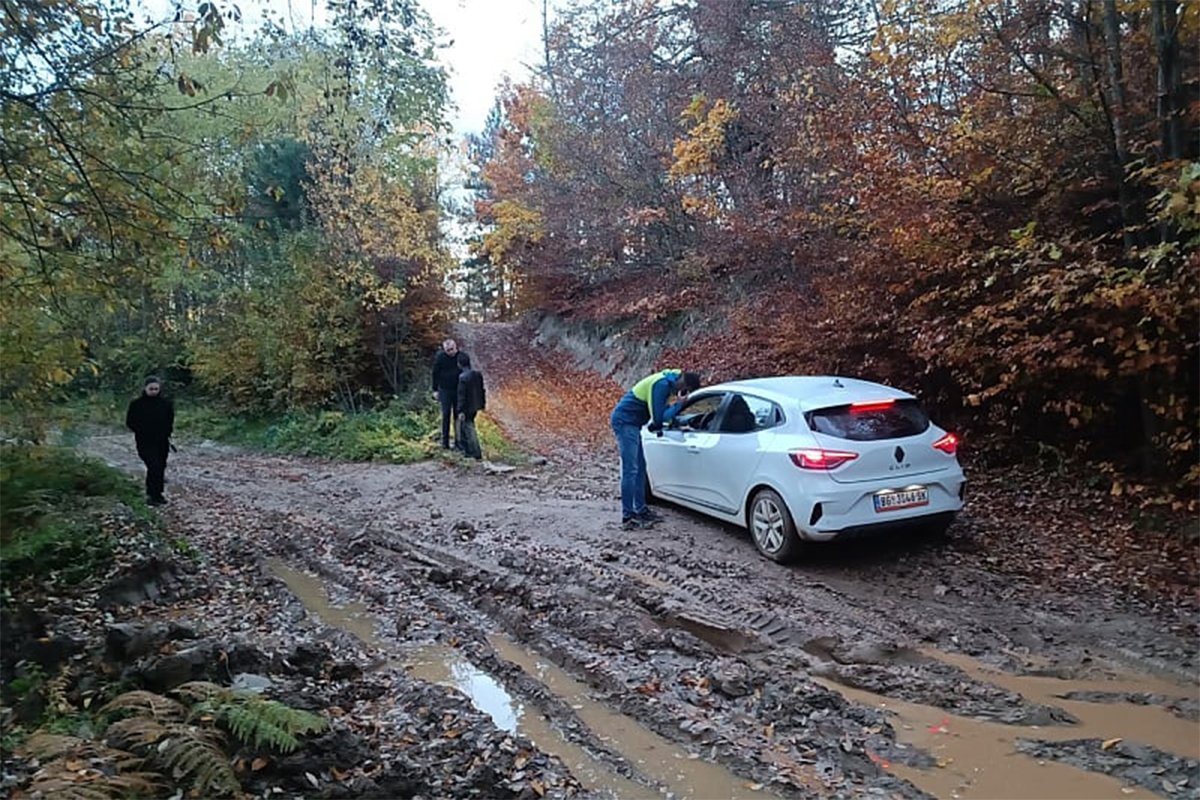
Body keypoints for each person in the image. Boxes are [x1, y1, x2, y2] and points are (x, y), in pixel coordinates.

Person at [610, 369, 702, 530]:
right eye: (686, 390)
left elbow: (661, 413)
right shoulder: (661, 385)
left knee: (640, 469)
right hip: (625, 422)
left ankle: (640, 509)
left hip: (634, 423)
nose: (682, 393)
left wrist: (678, 423)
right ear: (684, 384)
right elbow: (658, 419)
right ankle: (628, 516)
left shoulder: (669, 382)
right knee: (631, 469)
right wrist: (679, 404)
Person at [125, 376, 175, 506]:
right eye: (151, 388)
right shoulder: (137, 404)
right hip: (144, 441)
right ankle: (151, 494)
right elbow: (130, 422)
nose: (154, 391)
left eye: (156, 389)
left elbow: (170, 421)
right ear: (145, 388)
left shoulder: (166, 404)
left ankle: (158, 494)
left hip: (162, 441)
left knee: (160, 467)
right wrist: (141, 430)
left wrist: (167, 432)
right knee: (153, 466)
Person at [431, 338, 464, 450]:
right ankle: (444, 442)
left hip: (458, 390)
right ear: (444, 350)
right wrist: (435, 390)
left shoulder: (461, 356)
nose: (450, 352)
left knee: (457, 416)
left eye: (452, 349)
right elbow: (435, 373)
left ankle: (458, 442)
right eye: (448, 350)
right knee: (446, 415)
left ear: (456, 347)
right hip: (444, 389)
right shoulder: (440, 357)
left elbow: (468, 372)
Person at [455, 352, 486, 460]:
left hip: (467, 407)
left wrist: (460, 410)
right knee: (467, 427)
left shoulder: (462, 377)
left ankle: (474, 452)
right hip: (475, 405)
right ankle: (469, 451)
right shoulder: (477, 374)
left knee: (468, 428)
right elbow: (482, 390)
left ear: (459, 364)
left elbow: (461, 395)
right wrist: (482, 404)